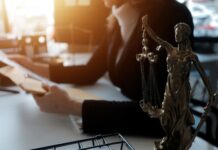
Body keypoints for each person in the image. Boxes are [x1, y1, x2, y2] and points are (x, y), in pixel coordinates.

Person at [8, 0, 194, 136]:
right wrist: (29, 65)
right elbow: (89, 71)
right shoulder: (117, 19)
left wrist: (72, 106)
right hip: (127, 128)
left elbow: (166, 116)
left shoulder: (173, 16)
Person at [144, 17, 214, 149]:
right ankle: (169, 139)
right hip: (169, 87)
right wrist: (146, 27)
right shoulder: (170, 49)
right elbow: (157, 38)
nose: (176, 34)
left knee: (179, 119)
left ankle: (176, 142)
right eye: (175, 31)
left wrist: (211, 94)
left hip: (181, 91)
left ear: (185, 34)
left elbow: (203, 76)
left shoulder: (191, 56)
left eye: (179, 32)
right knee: (165, 116)